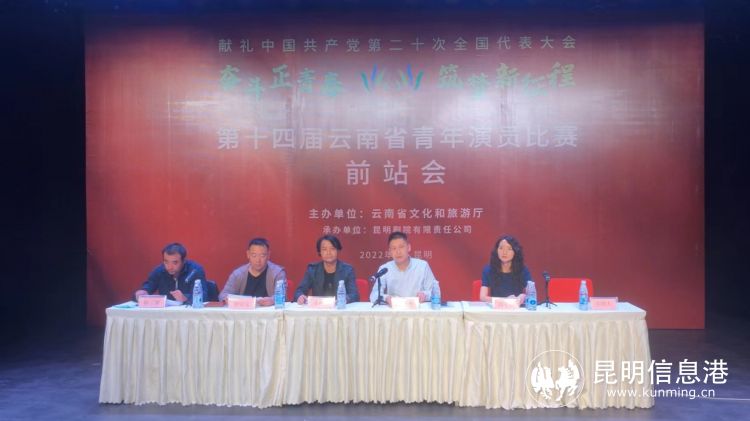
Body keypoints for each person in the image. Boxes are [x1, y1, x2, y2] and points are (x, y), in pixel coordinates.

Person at [369, 231, 437, 305]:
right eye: (394, 248)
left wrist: (425, 295)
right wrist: (386, 298)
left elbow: (435, 292)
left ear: (409, 247)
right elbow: (373, 295)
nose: (398, 252)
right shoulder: (385, 269)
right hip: (394, 309)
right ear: (390, 252)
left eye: (401, 247)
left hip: (418, 309)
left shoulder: (422, 266)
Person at [219, 237, 287, 306]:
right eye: (254, 255)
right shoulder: (238, 274)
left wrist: (273, 300)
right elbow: (223, 295)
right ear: (248, 254)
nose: (258, 260)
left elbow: (282, 296)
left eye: (262, 255)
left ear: (268, 255)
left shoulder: (277, 273)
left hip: (268, 311)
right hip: (244, 311)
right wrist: (227, 299)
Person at [134, 243, 208, 304]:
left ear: (184, 261)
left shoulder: (195, 270)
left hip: (189, 313)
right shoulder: (159, 271)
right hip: (165, 314)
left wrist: (185, 298)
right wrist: (141, 293)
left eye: (175, 263)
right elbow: (147, 287)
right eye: (166, 262)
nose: (169, 267)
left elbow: (204, 296)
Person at [294, 235, 359, 304]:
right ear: (320, 252)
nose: (328, 253)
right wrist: (300, 296)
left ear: (338, 250)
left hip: (339, 308)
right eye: (324, 249)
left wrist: (344, 299)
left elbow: (354, 295)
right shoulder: (313, 270)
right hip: (318, 309)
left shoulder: (347, 270)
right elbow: (299, 291)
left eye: (332, 248)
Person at [479, 235, 532, 302]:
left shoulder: (523, 270)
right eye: (501, 248)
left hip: (516, 307)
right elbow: (482, 297)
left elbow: (531, 294)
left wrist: (523, 296)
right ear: (496, 250)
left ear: (515, 251)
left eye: (509, 249)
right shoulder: (489, 270)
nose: (504, 252)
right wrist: (505, 300)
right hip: (497, 307)